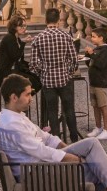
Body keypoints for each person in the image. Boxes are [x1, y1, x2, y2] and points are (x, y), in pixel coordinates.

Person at [29, 8, 80, 142]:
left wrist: (43, 73)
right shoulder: (66, 36)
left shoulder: (38, 38)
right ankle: (74, 139)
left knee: (52, 112)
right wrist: (69, 72)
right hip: (64, 78)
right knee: (69, 110)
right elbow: (74, 59)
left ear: (46, 20)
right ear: (58, 20)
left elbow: (33, 64)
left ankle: (57, 142)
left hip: (48, 80)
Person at [84, 28, 107, 140]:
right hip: (93, 82)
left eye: (94, 36)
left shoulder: (105, 50)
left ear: (101, 38)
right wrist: (87, 55)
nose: (92, 38)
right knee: (95, 106)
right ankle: (98, 127)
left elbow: (101, 64)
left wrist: (92, 54)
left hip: (100, 83)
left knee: (103, 106)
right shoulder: (96, 49)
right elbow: (91, 64)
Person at [0, 17, 35, 88]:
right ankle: (24, 95)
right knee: (33, 81)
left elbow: (20, 59)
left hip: (13, 69)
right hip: (5, 73)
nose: (24, 28)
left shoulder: (17, 38)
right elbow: (16, 57)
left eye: (25, 26)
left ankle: (26, 94)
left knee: (36, 77)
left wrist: (31, 65)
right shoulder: (9, 38)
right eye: (21, 26)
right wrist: (23, 43)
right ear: (14, 27)